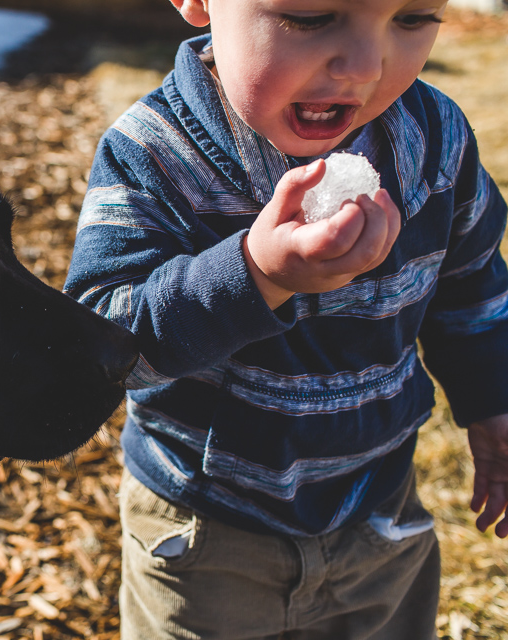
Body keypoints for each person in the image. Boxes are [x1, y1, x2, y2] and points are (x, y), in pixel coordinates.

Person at [63, 0, 508, 638]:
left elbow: (472, 284)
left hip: (378, 513)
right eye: (308, 16)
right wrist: (255, 273)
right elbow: (102, 343)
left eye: (411, 18)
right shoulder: (156, 155)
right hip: (206, 535)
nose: (364, 65)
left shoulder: (433, 142)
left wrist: (494, 399)